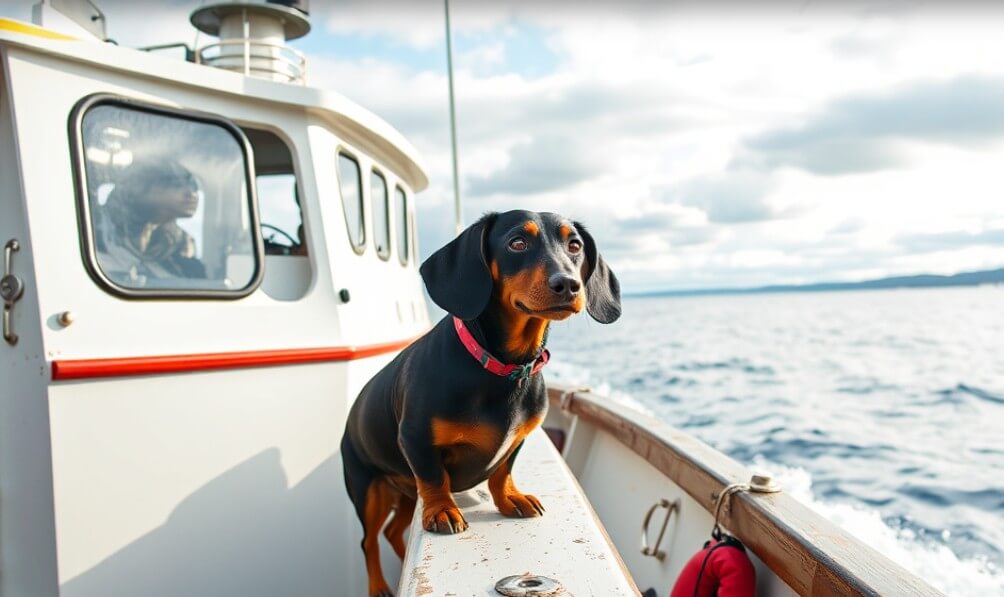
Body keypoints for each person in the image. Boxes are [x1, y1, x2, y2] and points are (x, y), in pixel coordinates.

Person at [94, 160, 207, 284]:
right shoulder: (97, 233)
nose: (191, 194)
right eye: (175, 185)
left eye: (194, 186)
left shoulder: (179, 250)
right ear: (138, 187)